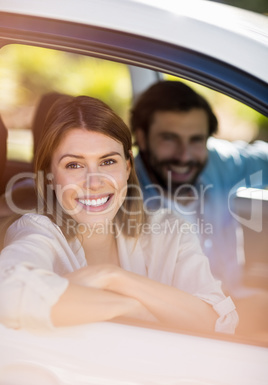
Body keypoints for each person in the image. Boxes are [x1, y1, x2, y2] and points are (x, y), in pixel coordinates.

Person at [0, 95, 238, 335]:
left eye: (107, 162)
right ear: (50, 176)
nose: (94, 183)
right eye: (74, 165)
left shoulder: (168, 230)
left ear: (127, 167)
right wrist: (134, 307)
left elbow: (216, 322)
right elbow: (10, 294)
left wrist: (112, 277)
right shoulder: (37, 230)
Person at [130, 80, 268, 298]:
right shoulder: (121, 195)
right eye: (169, 139)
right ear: (142, 138)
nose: (184, 156)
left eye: (196, 140)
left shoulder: (220, 162)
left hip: (234, 300)